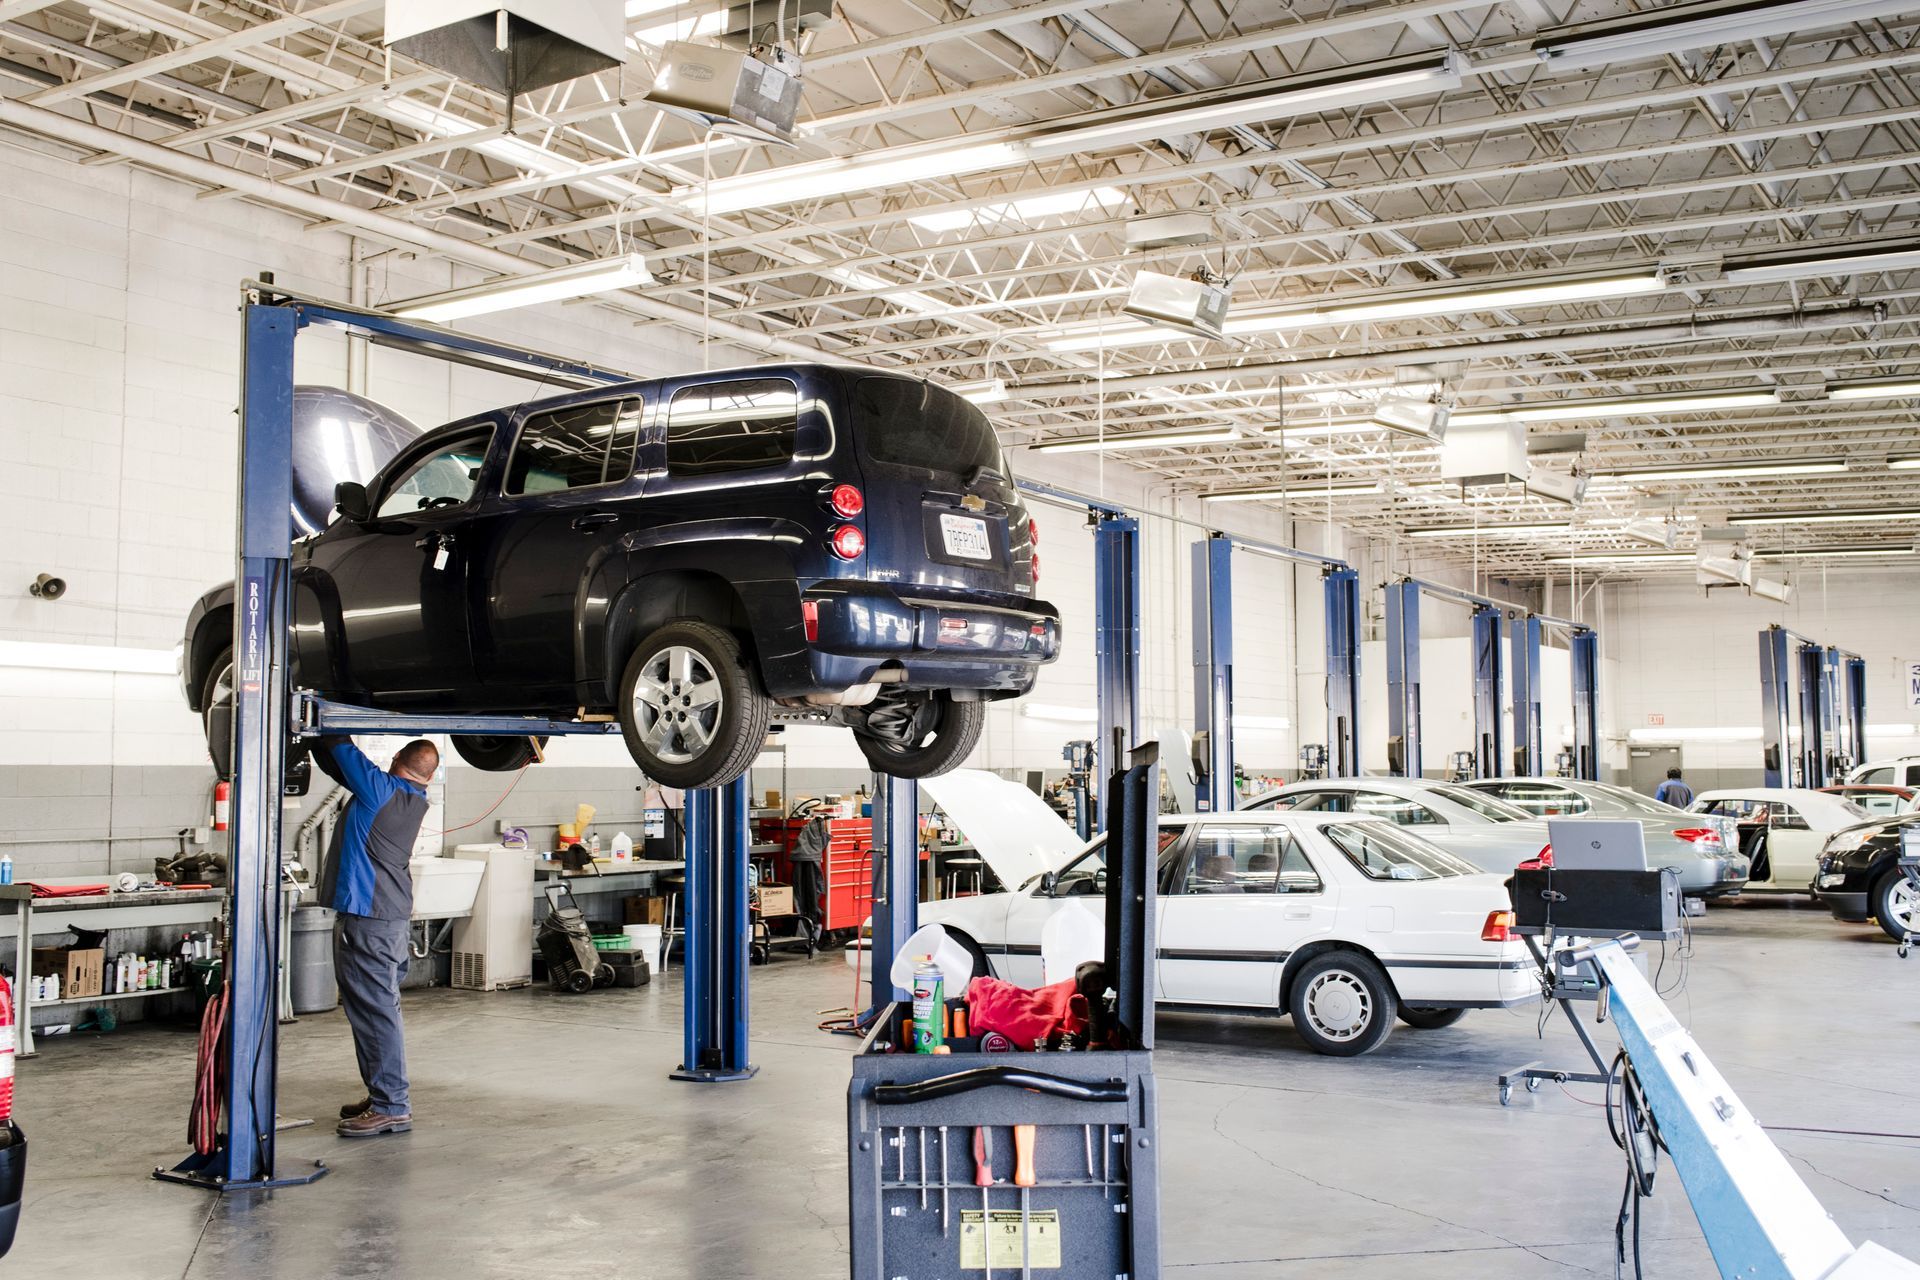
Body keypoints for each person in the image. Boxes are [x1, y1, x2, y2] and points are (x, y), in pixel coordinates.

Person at [312, 735, 439, 1138]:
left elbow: (340, 749)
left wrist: (320, 705)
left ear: (398, 757)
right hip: (387, 920)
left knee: (375, 1012)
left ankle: (391, 1106)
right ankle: (383, 1092)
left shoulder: (380, 790)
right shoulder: (409, 797)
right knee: (378, 1009)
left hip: (370, 921)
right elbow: (337, 766)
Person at [788, 811, 829, 937]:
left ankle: (809, 930)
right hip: (807, 861)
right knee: (806, 896)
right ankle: (809, 930)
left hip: (807, 860)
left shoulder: (809, 832)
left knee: (806, 896)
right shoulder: (810, 832)